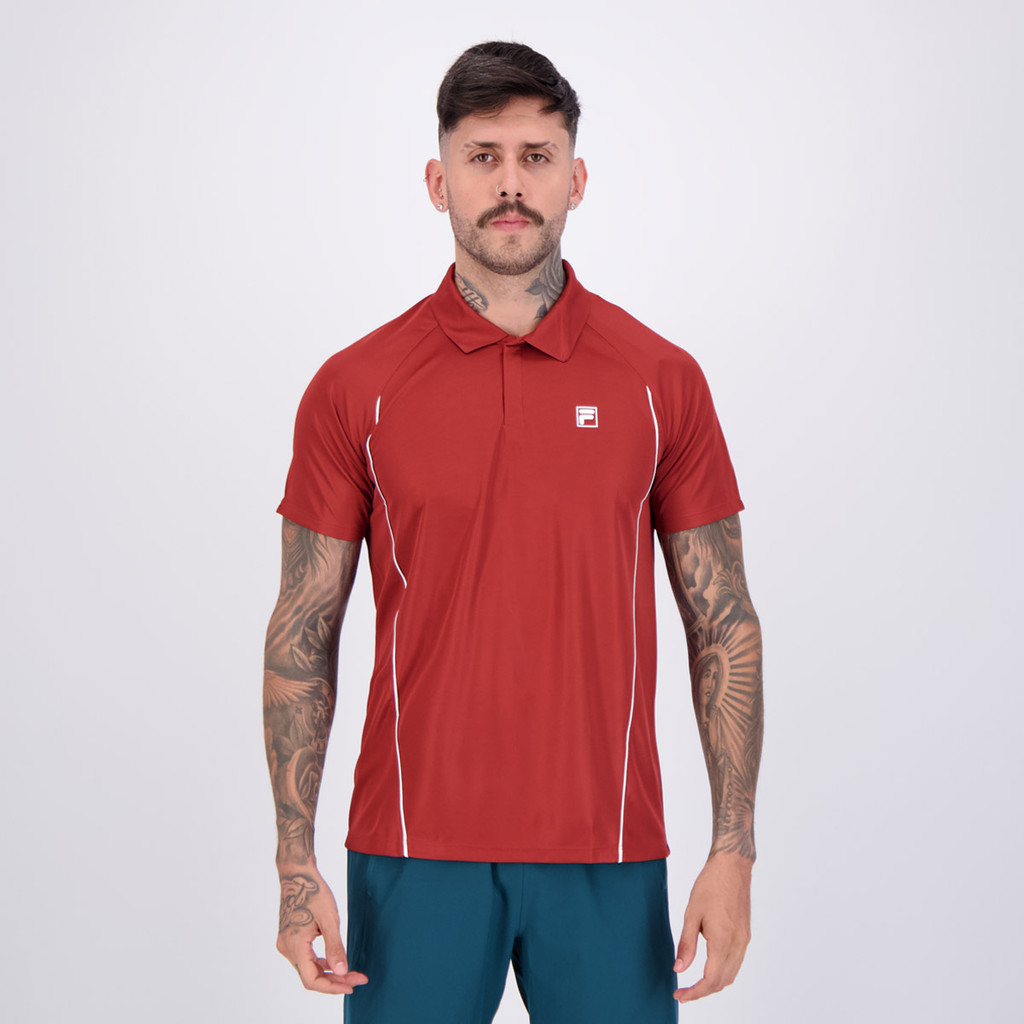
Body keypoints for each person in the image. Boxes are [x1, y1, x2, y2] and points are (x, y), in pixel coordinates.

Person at [264, 40, 763, 1023]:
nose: (509, 183)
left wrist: (733, 850)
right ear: (436, 180)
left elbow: (725, 626)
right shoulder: (354, 386)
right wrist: (293, 863)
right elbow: (300, 634)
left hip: (610, 849)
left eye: (536, 156)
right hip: (410, 850)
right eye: (482, 155)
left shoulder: (661, 380)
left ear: (576, 178)